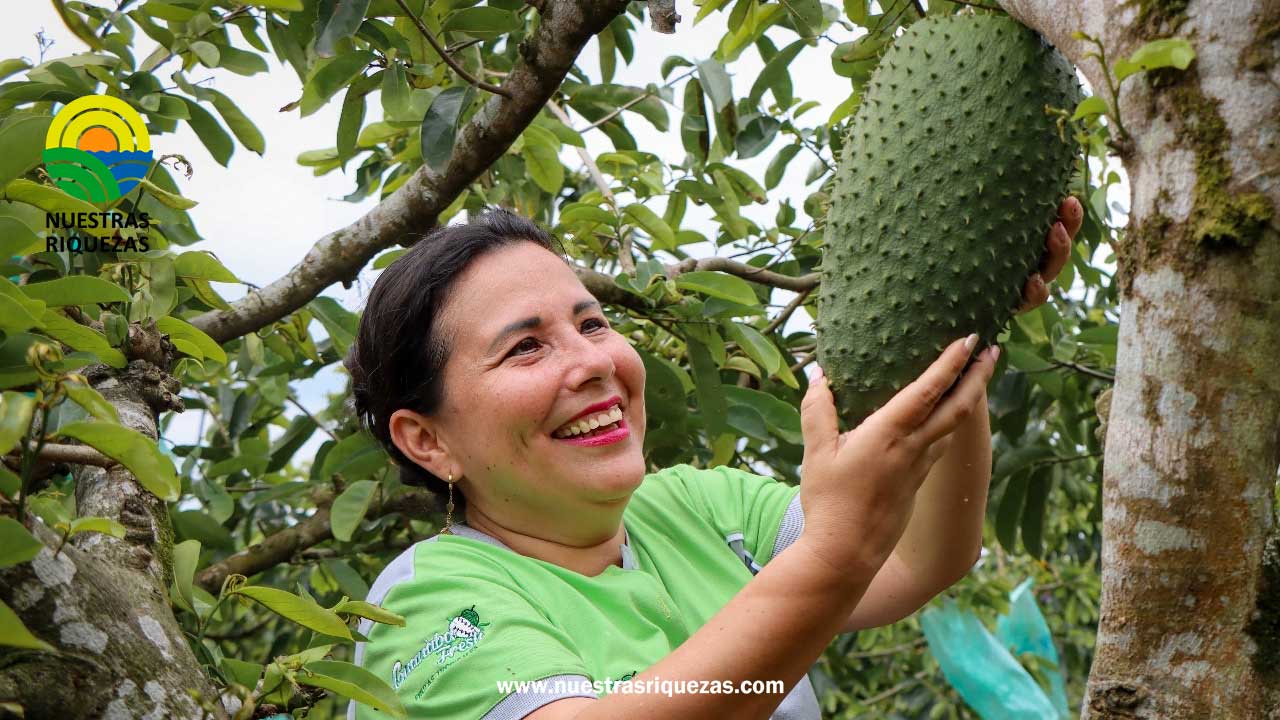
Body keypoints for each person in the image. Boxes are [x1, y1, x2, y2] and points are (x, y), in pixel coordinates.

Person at [343, 202, 1080, 719]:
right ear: (427, 441)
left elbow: (921, 558)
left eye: (592, 323)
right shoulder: (428, 603)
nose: (593, 362)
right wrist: (830, 554)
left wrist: (960, 319)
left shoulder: (697, 507)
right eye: (525, 346)